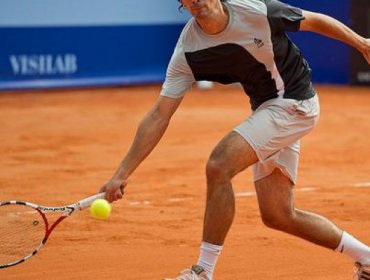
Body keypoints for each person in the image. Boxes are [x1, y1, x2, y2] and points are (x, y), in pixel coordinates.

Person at [99, 0, 370, 279]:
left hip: (295, 102)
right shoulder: (189, 50)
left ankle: (203, 272)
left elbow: (314, 20)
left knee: (219, 164)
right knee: (278, 214)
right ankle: (366, 257)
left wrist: (362, 43)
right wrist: (123, 172)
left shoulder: (256, 10)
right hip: (268, 109)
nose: (195, 0)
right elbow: (159, 115)